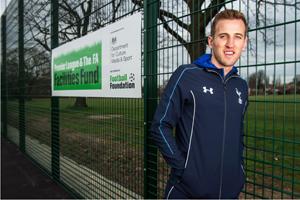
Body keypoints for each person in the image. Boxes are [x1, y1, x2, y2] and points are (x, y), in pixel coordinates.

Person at [150, 9, 249, 199]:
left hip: (229, 194)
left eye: (237, 37)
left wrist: (239, 172)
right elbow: (160, 126)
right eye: (223, 36)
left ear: (244, 42)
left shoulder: (241, 86)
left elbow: (239, 134)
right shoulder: (187, 75)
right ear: (211, 41)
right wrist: (183, 169)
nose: (230, 44)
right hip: (186, 192)